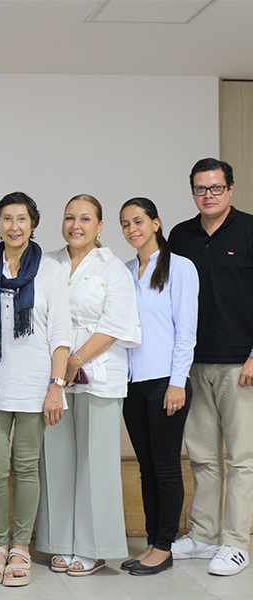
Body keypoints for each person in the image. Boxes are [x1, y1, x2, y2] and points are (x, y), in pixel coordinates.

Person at [36, 193, 141, 576]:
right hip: (54, 378)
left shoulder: (113, 269)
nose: (75, 225)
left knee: (95, 463)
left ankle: (94, 548)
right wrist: (59, 372)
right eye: (69, 218)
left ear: (99, 226)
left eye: (85, 219)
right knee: (57, 459)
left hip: (98, 374)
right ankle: (59, 542)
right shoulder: (48, 263)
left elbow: (113, 326)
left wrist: (73, 362)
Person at [0, 192, 71, 587]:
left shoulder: (50, 270)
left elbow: (61, 334)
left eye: (22, 219)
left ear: (33, 224)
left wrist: (56, 387)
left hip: (35, 385)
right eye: (7, 219)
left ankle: (21, 548)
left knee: (25, 467)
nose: (14, 226)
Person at [168, 158, 253, 576]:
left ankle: (236, 543)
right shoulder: (181, 236)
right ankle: (203, 535)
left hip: (241, 364)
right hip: (193, 364)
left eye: (216, 188)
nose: (208, 196)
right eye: (201, 189)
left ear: (231, 189)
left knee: (241, 458)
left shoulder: (251, 230)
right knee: (202, 456)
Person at [118, 197, 199, 576]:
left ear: (156, 223)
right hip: (132, 384)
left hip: (166, 383)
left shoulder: (180, 267)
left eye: (138, 221)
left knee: (166, 468)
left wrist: (177, 382)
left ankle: (164, 546)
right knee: (146, 468)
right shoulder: (125, 270)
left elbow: (186, 332)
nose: (132, 229)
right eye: (125, 224)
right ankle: (152, 542)